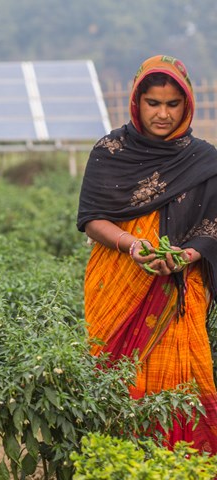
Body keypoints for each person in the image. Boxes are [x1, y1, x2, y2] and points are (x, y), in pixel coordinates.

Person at [77, 54, 217, 453]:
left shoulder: (205, 160)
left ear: (187, 104)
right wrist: (134, 244)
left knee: (182, 382)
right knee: (116, 378)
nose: (163, 113)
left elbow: (213, 227)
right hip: (118, 279)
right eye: (153, 103)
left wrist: (186, 256)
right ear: (136, 102)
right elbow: (91, 218)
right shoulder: (110, 152)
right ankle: (117, 462)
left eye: (173, 104)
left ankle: (184, 464)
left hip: (179, 287)